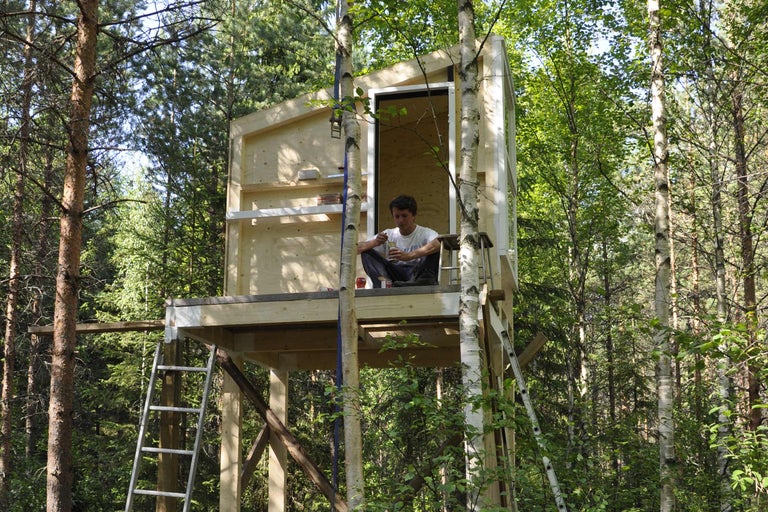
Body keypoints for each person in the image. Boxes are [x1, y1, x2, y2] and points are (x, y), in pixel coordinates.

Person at [357, 195, 440, 287]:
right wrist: (375, 242)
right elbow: (355, 249)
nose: (400, 220)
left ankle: (422, 283)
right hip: (395, 276)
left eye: (404, 216)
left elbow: (439, 242)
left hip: (418, 275)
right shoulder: (389, 234)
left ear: (413, 216)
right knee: (366, 252)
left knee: (434, 248)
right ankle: (384, 285)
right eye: (397, 216)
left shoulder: (425, 233)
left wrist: (409, 256)